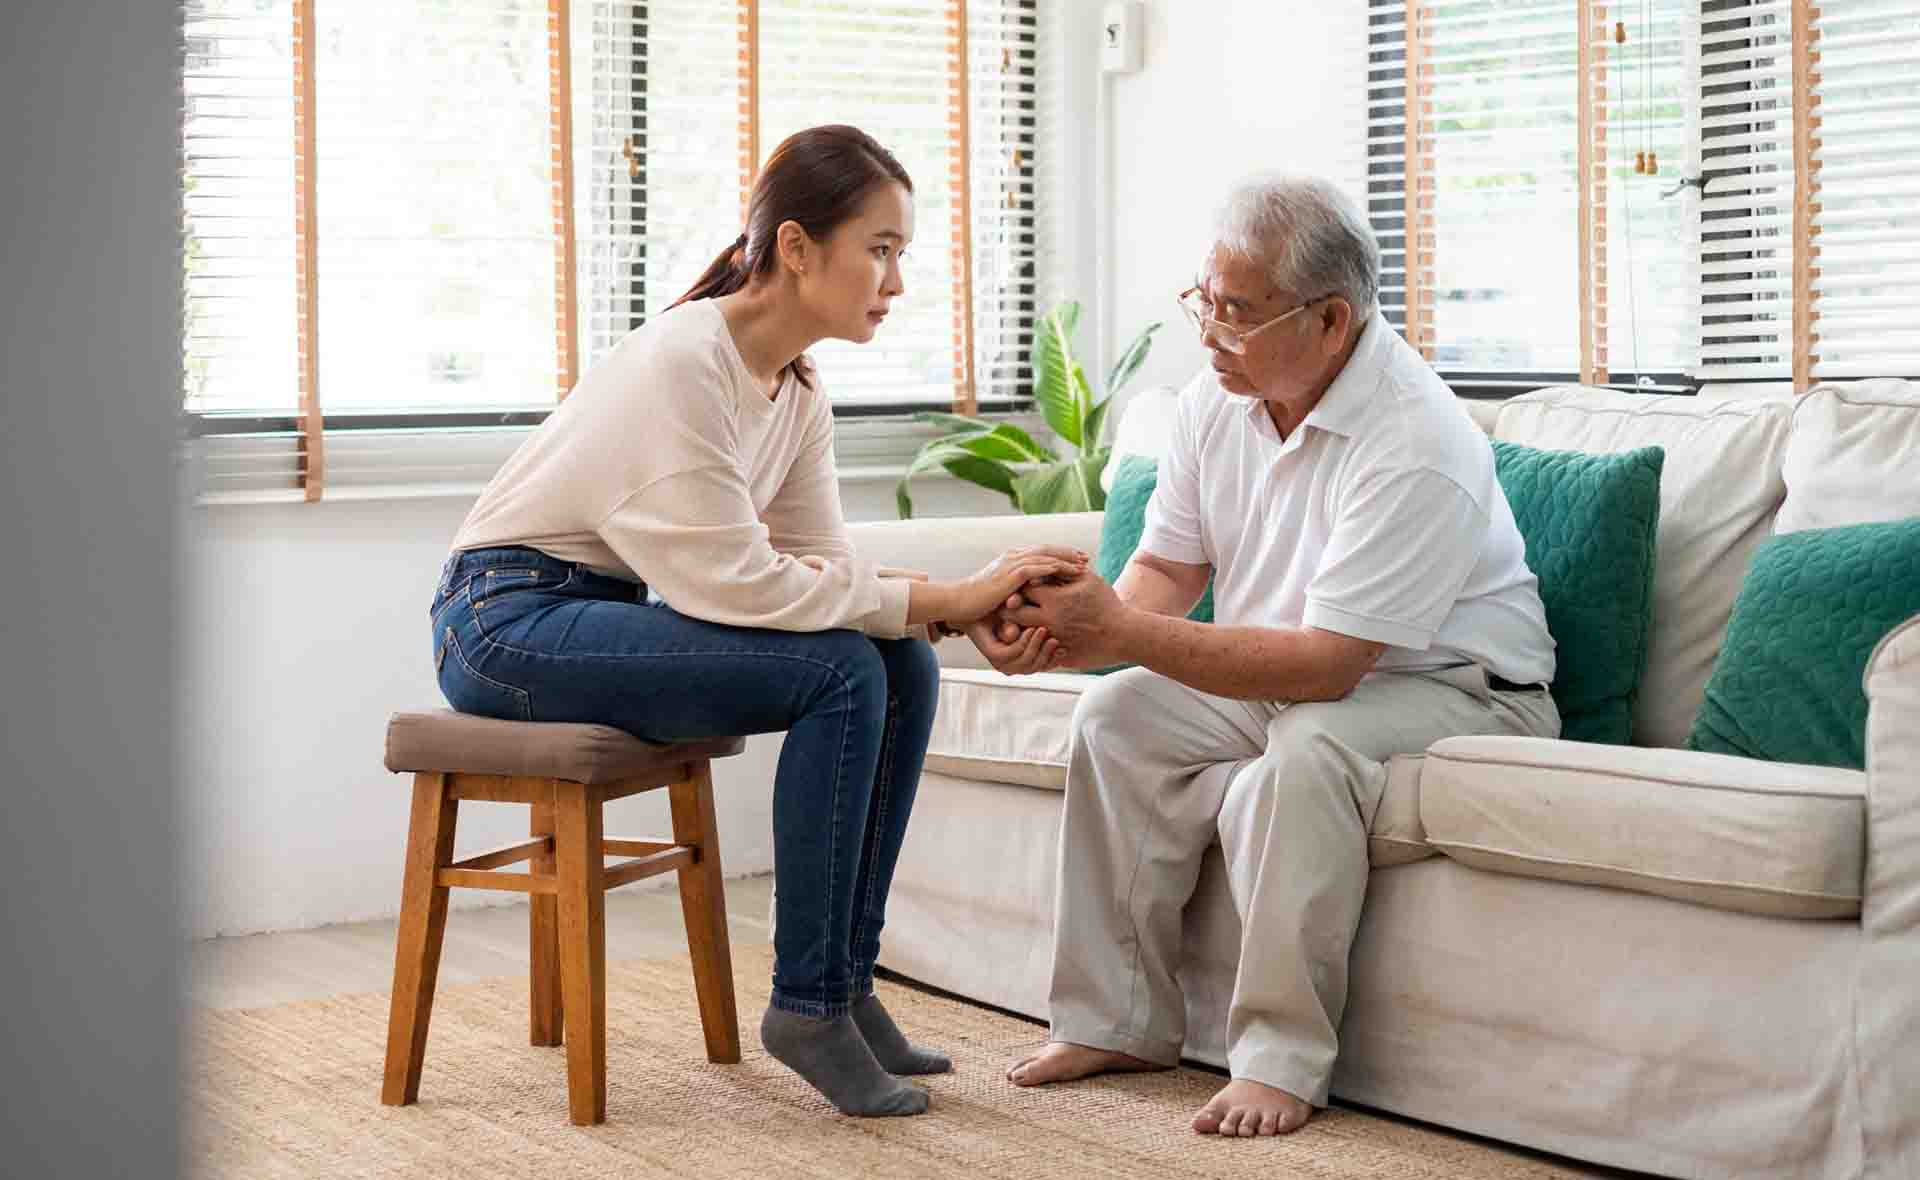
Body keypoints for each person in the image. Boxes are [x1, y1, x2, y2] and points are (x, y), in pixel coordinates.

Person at [431, 124, 1082, 1118]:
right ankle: (806, 1005)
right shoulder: (687, 360)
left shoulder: (798, 392)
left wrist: (955, 616)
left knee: (895, 666)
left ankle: (846, 985)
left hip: (601, 614)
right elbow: (737, 586)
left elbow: (822, 575)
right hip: (504, 622)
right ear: (795, 247)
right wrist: (946, 598)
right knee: (841, 670)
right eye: (881, 247)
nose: (896, 281)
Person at [971, 174, 1559, 1136]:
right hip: (1280, 669)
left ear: (1331, 321)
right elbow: (1166, 564)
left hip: (1460, 687)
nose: (1209, 331)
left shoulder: (1416, 439)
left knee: (1309, 752)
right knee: (1116, 716)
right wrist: (1072, 633)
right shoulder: (1216, 398)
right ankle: (1114, 1021)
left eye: (1237, 313)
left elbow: (1330, 668)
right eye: (1205, 299)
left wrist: (1119, 634)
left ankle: (1281, 1060)